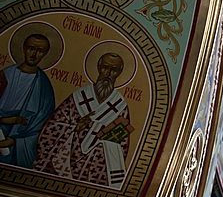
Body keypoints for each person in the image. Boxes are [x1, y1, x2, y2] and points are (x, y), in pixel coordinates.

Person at [33, 52, 132, 188]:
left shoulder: (120, 105)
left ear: (119, 72)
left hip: (97, 167)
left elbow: (122, 144)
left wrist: (101, 141)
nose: (108, 73)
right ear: (98, 67)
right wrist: (74, 127)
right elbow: (52, 128)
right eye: (105, 68)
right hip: (68, 158)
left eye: (114, 70)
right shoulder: (79, 97)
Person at [0, 33, 56, 169]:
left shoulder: (44, 86)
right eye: (31, 48)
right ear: (24, 48)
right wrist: (4, 120)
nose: (34, 54)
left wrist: (15, 141)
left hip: (18, 144)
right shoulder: (5, 75)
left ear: (45, 54)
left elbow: (44, 126)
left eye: (40, 51)